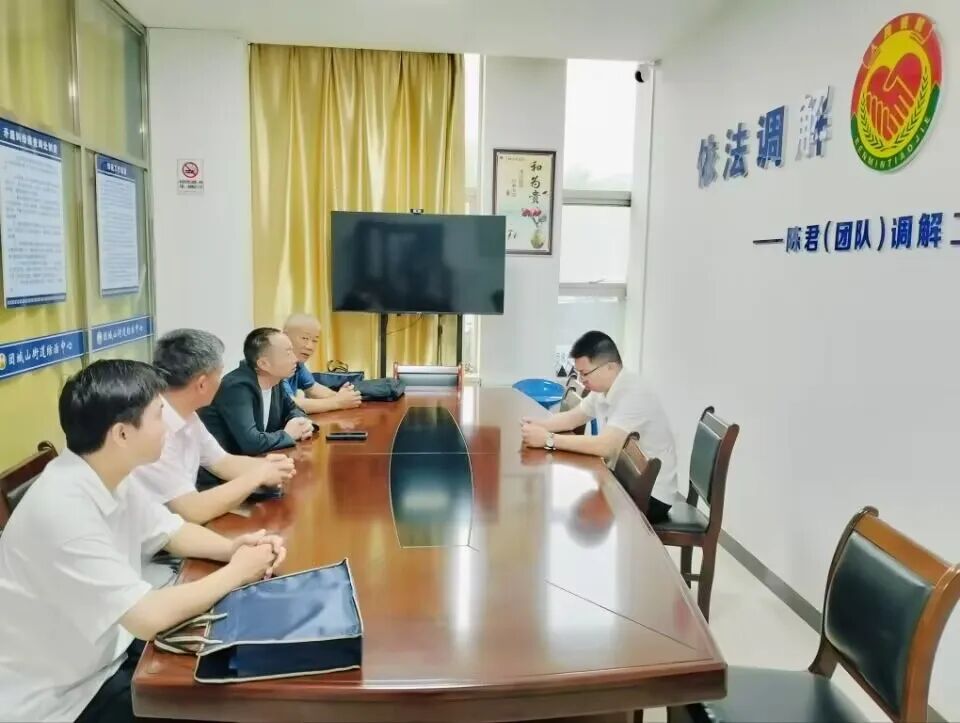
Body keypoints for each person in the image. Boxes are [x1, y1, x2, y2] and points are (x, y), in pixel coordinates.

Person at [0, 360, 286, 723]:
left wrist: (232, 549)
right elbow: (148, 617)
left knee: (237, 676)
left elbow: (172, 531)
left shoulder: (107, 472)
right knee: (231, 705)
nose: (166, 426)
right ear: (122, 434)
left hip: (107, 652)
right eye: (157, 415)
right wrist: (238, 572)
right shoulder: (62, 508)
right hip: (62, 698)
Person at [129, 329, 296, 525]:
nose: (221, 381)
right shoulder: (153, 430)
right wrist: (258, 476)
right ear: (202, 384)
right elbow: (193, 511)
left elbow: (221, 462)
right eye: (219, 374)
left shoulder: (188, 416)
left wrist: (269, 466)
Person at [520, 331, 679, 523]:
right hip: (625, 479)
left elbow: (606, 446)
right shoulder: (603, 388)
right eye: (579, 373)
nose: (582, 380)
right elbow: (573, 418)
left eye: (585, 373)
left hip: (653, 495)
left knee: (569, 502)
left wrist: (548, 440)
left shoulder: (633, 394)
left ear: (610, 367)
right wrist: (537, 424)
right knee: (566, 492)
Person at [199, 327, 314, 457]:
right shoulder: (236, 387)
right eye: (288, 353)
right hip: (223, 466)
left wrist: (301, 424)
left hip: (257, 461)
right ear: (264, 364)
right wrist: (288, 434)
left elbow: (294, 410)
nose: (295, 359)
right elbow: (251, 443)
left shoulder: (275, 381)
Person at [282, 313, 361, 414]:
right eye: (304, 338)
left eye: (315, 341)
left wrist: (343, 396)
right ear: (285, 336)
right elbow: (290, 404)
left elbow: (313, 389)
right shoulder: (274, 362)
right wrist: (338, 402)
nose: (310, 347)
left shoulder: (297, 363)